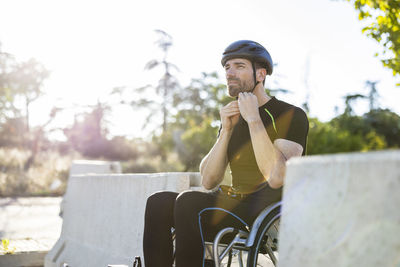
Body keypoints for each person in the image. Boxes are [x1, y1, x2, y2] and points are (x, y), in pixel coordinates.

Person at [143, 40, 309, 267]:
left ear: (260, 74)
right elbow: (209, 180)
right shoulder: (231, 117)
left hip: (261, 214)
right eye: (227, 67)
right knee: (159, 202)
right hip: (229, 203)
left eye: (239, 66)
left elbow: (278, 177)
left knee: (189, 202)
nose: (230, 72)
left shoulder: (291, 114)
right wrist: (226, 130)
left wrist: (253, 119)